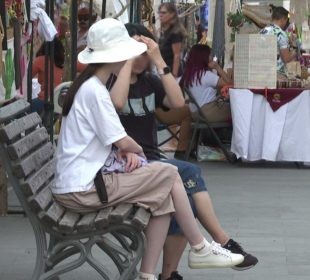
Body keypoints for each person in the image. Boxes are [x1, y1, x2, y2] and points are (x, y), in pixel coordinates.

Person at [52, 18, 244, 280]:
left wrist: (128, 148)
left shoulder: (90, 86)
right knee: (169, 174)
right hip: (83, 189)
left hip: (83, 182)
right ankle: (200, 246)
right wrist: (132, 150)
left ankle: (148, 275)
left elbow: (126, 135)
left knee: (163, 197)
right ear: (118, 56)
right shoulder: (95, 91)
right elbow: (125, 141)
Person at [108, 23, 258, 280]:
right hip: (127, 166)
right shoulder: (110, 81)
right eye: (135, 51)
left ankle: (174, 271)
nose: (140, 57)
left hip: (150, 161)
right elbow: (117, 102)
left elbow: (178, 104)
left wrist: (158, 60)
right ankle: (218, 242)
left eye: (145, 51)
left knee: (186, 188)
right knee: (187, 174)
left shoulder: (150, 82)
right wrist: (126, 62)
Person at [181, 44, 232, 123]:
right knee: (236, 109)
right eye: (210, 54)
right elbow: (230, 83)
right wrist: (217, 67)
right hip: (207, 113)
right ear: (204, 57)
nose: (212, 56)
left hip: (194, 112)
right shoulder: (206, 75)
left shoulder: (190, 74)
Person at [260, 6, 296, 74]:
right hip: (276, 75)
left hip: (263, 73)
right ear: (283, 19)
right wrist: (295, 49)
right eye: (286, 20)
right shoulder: (280, 34)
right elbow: (286, 58)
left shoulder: (262, 31)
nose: (286, 23)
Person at [158, 2, 186, 78]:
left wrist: (174, 75)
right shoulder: (165, 31)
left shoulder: (175, 33)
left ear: (172, 14)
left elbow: (177, 55)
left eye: (164, 13)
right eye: (160, 12)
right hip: (164, 71)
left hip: (171, 73)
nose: (160, 15)